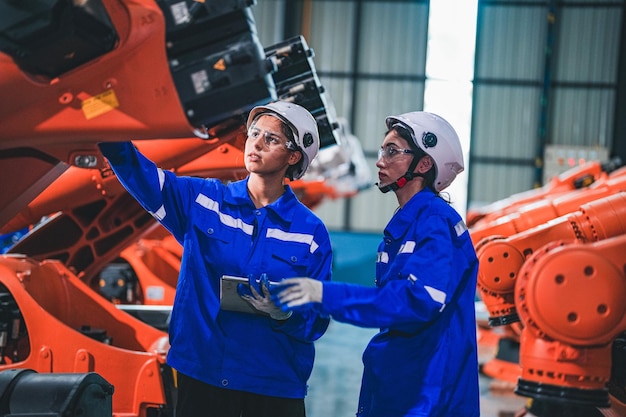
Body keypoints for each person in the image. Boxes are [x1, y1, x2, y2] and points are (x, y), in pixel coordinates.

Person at [98, 101, 333, 417]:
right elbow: (137, 172)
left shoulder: (311, 234)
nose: (256, 144)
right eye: (253, 134)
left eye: (271, 139)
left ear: (293, 157)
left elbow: (318, 317)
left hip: (273, 385)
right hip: (204, 375)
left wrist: (284, 313)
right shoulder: (203, 201)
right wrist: (102, 113)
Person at [274, 111, 480, 417]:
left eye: (392, 151)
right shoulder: (409, 222)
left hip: (429, 394)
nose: (380, 160)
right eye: (383, 150)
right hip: (403, 382)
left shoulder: (434, 222)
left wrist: (326, 295)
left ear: (424, 164)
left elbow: (420, 300)